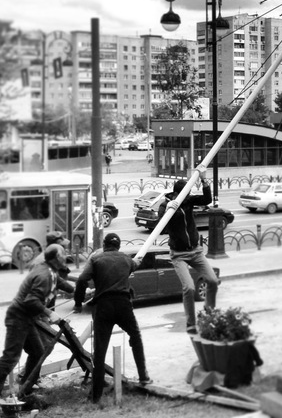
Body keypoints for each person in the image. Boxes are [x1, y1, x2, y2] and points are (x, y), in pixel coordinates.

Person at [0, 244, 73, 409]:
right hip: (18, 318)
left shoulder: (50, 271)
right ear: (56, 259)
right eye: (63, 254)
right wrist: (50, 313)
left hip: (27, 318)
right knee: (10, 358)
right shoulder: (44, 275)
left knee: (38, 352)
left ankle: (24, 390)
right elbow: (31, 300)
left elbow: (62, 283)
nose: (66, 256)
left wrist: (82, 290)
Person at [73, 232, 151, 403]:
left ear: (104, 244)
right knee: (135, 337)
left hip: (104, 307)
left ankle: (96, 395)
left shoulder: (96, 260)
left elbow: (81, 280)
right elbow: (135, 264)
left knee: (100, 350)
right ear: (119, 246)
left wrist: (78, 303)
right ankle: (143, 376)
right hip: (123, 305)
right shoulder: (126, 260)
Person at [158, 170, 219, 335]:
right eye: (186, 193)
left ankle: (208, 313)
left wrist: (205, 181)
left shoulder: (188, 201)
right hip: (178, 255)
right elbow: (160, 227)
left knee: (213, 280)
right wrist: (168, 211)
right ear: (178, 193)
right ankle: (191, 324)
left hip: (195, 251)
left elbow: (207, 199)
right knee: (189, 288)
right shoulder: (165, 206)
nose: (189, 196)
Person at [28, 232, 72, 308]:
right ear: (57, 244)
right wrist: (75, 291)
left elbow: (60, 277)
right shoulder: (45, 261)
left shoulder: (48, 256)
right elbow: (59, 280)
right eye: (63, 246)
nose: (65, 249)